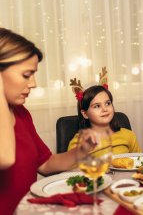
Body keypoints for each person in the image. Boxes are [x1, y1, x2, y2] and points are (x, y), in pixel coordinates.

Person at [0, 28, 92, 215]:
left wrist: (81, 151)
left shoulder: (21, 113)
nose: (33, 83)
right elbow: (6, 158)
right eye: (26, 75)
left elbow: (46, 164)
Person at [68, 84, 141, 154]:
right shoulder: (78, 143)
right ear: (85, 114)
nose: (104, 109)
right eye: (97, 106)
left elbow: (140, 163)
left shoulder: (129, 135)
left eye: (108, 103)